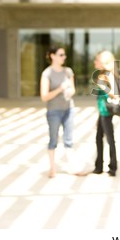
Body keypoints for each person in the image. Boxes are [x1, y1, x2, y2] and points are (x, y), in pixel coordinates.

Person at [40, 46, 76, 178]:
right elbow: (44, 97)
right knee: (53, 140)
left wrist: (69, 91)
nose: (64, 57)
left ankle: (71, 168)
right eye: (61, 55)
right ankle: (52, 169)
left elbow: (73, 90)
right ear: (52, 56)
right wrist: (60, 88)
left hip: (69, 109)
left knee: (69, 140)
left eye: (64, 55)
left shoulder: (68, 71)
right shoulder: (47, 73)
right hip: (53, 111)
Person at [92, 50, 120, 177]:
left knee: (110, 140)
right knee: (98, 139)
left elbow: (115, 94)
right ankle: (98, 166)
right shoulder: (102, 74)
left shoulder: (108, 75)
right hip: (102, 112)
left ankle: (113, 168)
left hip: (107, 113)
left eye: (97, 60)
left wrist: (103, 86)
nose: (95, 62)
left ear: (103, 62)